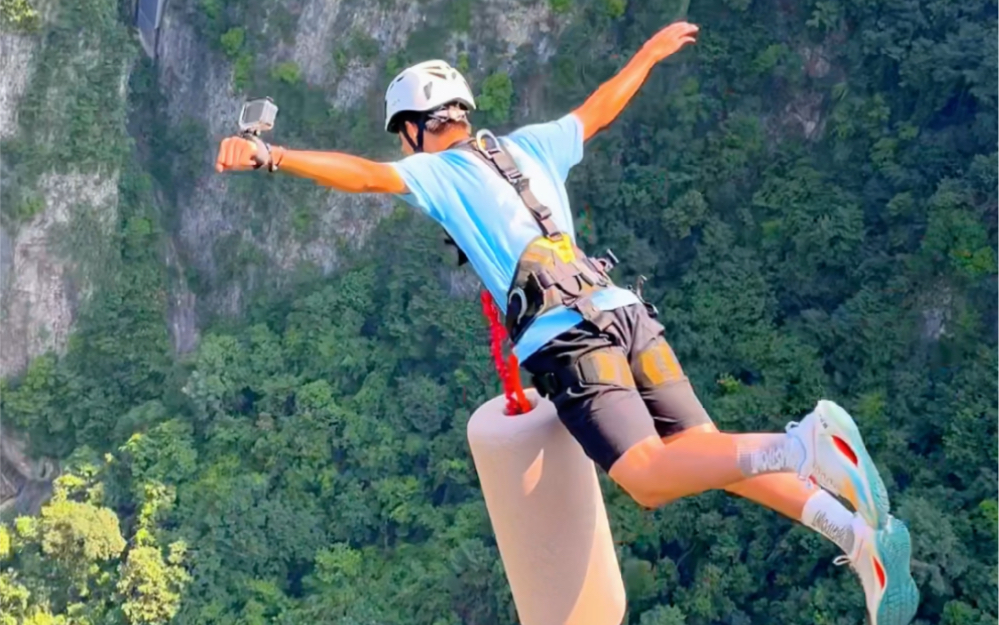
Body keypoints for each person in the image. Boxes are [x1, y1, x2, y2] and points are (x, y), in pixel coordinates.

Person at [215, 21, 918, 624]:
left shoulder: (438, 172)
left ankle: (805, 445)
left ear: (414, 128)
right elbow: (599, 108)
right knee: (706, 454)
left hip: (571, 343)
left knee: (645, 476)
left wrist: (272, 155)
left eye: (404, 138)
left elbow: (364, 175)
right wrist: (646, 54)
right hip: (625, 312)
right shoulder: (530, 144)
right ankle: (858, 538)